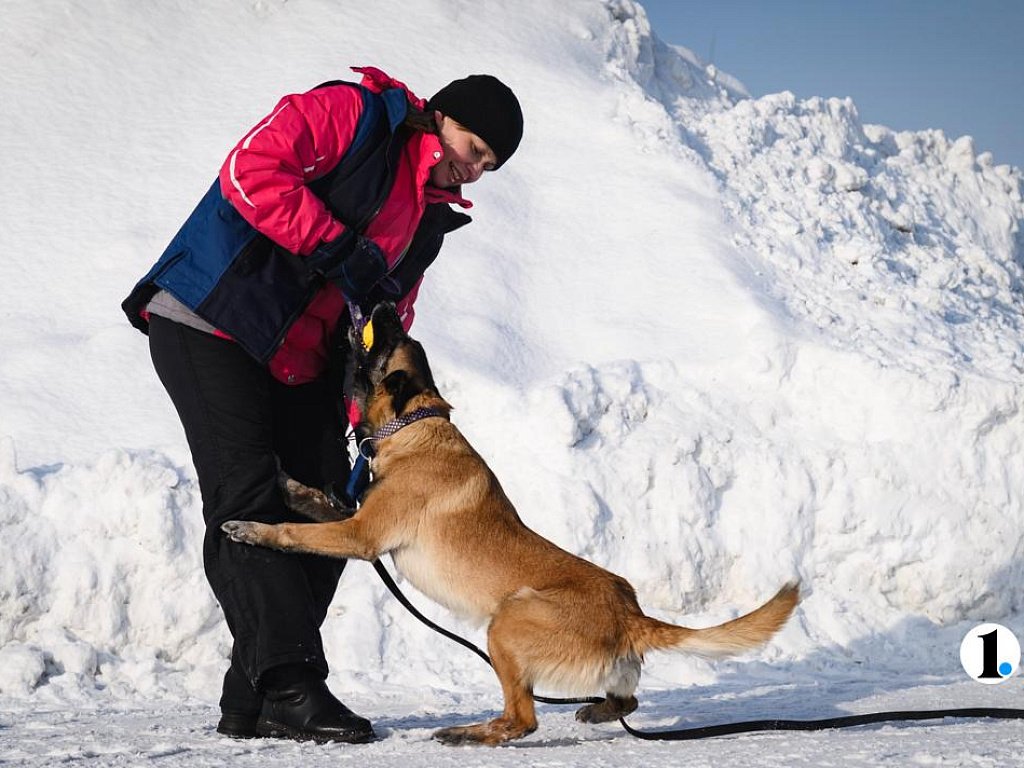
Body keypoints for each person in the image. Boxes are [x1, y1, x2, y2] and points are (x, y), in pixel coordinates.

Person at [122, 66, 523, 744]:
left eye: (489, 166)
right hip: (213, 318)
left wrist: (362, 411)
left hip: (302, 360)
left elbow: (385, 321)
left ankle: (251, 694)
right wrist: (338, 245)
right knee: (246, 495)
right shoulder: (356, 116)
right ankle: (290, 684)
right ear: (444, 118)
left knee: (335, 508)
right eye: (475, 150)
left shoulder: (426, 220)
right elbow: (251, 173)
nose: (476, 171)